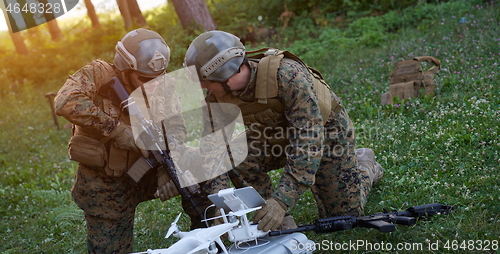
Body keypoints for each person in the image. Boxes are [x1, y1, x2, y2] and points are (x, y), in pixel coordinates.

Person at [183, 30, 384, 232]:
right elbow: (212, 148)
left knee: (343, 218)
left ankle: (365, 165)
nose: (203, 87)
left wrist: (281, 200)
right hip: (275, 134)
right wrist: (221, 201)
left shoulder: (287, 76)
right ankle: (271, 218)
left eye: (205, 82)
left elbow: (308, 141)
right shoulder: (215, 98)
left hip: (325, 133)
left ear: (225, 74)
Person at [55, 28, 184, 254]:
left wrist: (167, 167)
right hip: (105, 186)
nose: (153, 84)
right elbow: (65, 101)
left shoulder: (163, 84)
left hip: (148, 174)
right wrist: (116, 130)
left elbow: (177, 130)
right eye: (145, 79)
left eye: (159, 77)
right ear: (126, 67)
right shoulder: (99, 74)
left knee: (201, 179)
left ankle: (212, 237)